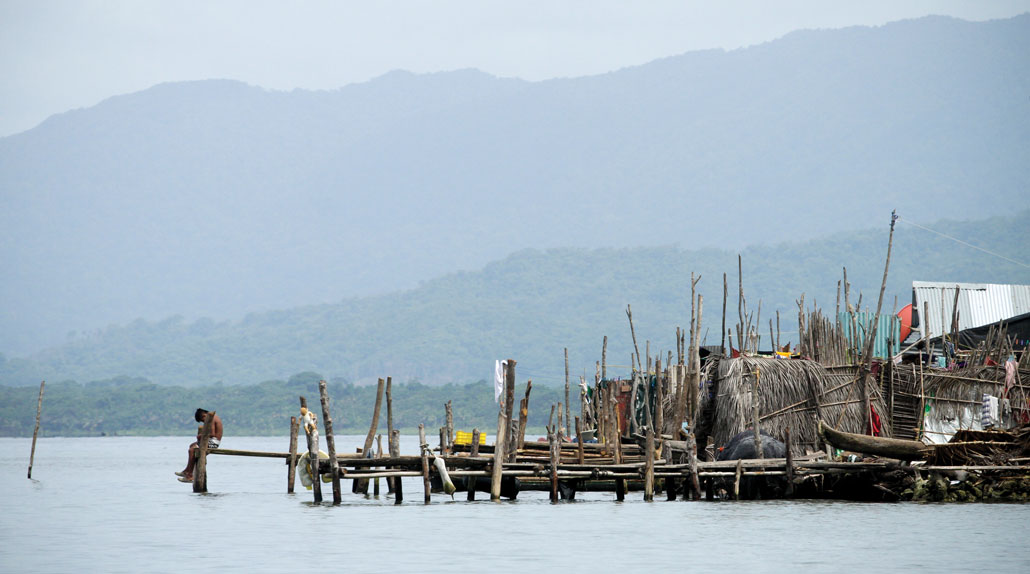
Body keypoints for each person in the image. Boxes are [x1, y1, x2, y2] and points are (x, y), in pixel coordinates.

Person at [176, 408, 223, 483]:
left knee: (192, 450)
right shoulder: (213, 417)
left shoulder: (211, 418)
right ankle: (187, 471)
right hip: (211, 441)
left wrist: (201, 435)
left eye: (202, 421)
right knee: (192, 445)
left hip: (213, 443)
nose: (204, 422)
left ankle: (190, 475)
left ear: (204, 415)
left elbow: (212, 434)